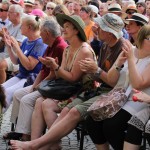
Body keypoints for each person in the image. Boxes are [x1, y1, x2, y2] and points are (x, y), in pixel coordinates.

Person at [10, 13, 126, 150]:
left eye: (66, 27)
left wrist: (56, 67)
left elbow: (74, 78)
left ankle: (41, 144)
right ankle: (41, 143)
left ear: (76, 30)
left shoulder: (89, 49)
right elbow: (63, 77)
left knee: (46, 104)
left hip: (83, 90)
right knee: (40, 101)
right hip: (76, 89)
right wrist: (54, 68)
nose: (63, 30)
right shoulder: (85, 47)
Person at [86, 24, 150, 150]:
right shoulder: (130, 51)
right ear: (142, 39)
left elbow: (138, 84)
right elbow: (111, 80)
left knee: (112, 125)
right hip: (118, 96)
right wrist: (118, 64)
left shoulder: (139, 57)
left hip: (139, 100)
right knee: (92, 121)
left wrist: (130, 59)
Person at [3, 18, 67, 141]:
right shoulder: (49, 45)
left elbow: (38, 69)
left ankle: (26, 135)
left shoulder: (57, 46)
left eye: (41, 31)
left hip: (46, 83)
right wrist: (34, 86)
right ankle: (19, 130)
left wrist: (37, 86)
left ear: (47, 33)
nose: (39, 33)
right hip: (37, 80)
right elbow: (43, 70)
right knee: (16, 94)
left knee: (23, 98)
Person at [2, 15, 47, 112]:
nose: (20, 27)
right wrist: (9, 46)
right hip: (22, 75)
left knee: (7, 93)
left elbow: (29, 66)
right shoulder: (26, 40)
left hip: (31, 78)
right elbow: (16, 61)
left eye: (22, 25)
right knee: (1, 89)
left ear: (29, 27)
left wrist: (17, 48)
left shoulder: (39, 43)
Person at [0, 4, 25, 84]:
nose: (8, 14)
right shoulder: (9, 25)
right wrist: (2, 38)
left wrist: (6, 37)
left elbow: (18, 45)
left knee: (1, 65)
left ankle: (1, 90)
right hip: (6, 54)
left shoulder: (22, 26)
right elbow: (2, 45)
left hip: (16, 58)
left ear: (17, 14)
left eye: (10, 12)